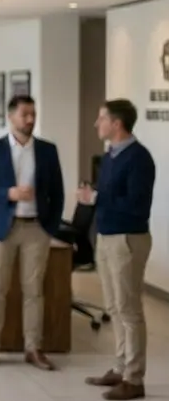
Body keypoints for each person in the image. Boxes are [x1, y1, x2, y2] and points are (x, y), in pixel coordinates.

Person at [0, 94, 64, 370]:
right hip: (2, 228)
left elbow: (58, 192)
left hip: (36, 228)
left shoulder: (47, 150)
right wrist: (8, 193)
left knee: (34, 291)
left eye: (33, 114)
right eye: (25, 114)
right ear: (11, 117)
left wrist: (50, 227)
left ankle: (33, 348)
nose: (30, 119)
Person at [82, 99, 156, 400]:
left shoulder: (139, 158)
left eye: (101, 119)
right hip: (107, 237)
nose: (96, 124)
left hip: (128, 239)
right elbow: (108, 196)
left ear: (117, 123)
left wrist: (97, 198)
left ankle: (134, 379)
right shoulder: (110, 155)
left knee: (129, 310)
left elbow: (137, 206)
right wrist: (93, 197)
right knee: (114, 308)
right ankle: (121, 367)